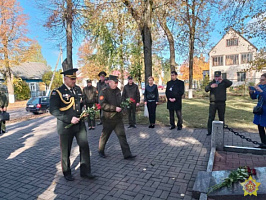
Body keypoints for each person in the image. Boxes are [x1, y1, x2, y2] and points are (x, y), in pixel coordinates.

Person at [50, 59, 95, 181]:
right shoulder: (57, 92)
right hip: (66, 127)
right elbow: (53, 110)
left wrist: (83, 112)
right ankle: (67, 172)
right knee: (66, 151)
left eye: (75, 79)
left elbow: (79, 105)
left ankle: (85, 171)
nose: (74, 81)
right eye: (72, 79)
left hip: (79, 125)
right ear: (65, 79)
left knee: (84, 147)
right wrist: (69, 119)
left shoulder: (78, 90)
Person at [98, 75, 136, 159]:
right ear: (110, 82)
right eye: (114, 83)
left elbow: (121, 102)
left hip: (118, 118)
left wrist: (124, 108)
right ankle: (100, 151)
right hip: (108, 118)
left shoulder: (118, 90)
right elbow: (102, 105)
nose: (116, 84)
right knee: (105, 136)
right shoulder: (104, 91)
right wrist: (114, 108)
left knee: (122, 135)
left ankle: (127, 154)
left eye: (117, 83)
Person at [205, 71, 232, 136]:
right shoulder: (212, 83)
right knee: (211, 117)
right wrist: (211, 87)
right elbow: (206, 89)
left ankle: (221, 131)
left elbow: (230, 83)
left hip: (221, 103)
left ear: (220, 76)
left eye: (218, 77)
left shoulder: (224, 83)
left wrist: (223, 80)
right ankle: (209, 131)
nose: (217, 78)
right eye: (216, 77)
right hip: (213, 103)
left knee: (221, 117)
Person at [249, 73, 266, 148]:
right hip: (260, 110)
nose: (261, 81)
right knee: (260, 126)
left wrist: (261, 91)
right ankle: (263, 143)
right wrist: (251, 92)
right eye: (260, 80)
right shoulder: (260, 87)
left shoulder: (262, 89)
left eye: (263, 80)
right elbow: (254, 97)